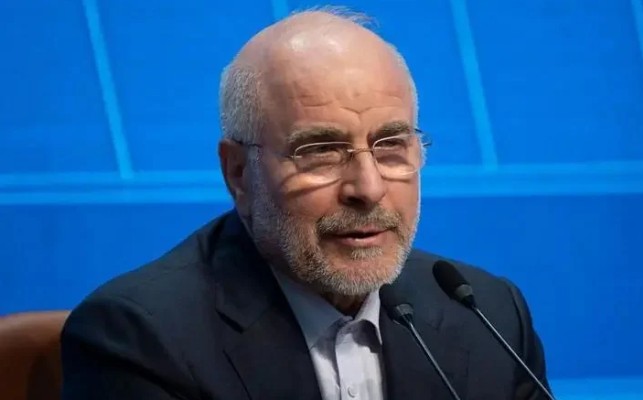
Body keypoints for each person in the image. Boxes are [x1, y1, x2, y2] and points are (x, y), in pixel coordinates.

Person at [61, 8, 552, 400]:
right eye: (320, 152)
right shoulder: (141, 337)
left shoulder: (487, 314)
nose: (368, 188)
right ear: (239, 172)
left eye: (390, 146)